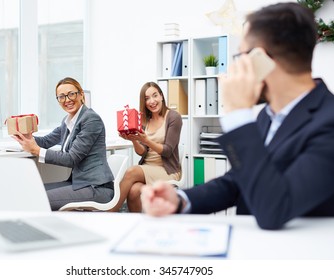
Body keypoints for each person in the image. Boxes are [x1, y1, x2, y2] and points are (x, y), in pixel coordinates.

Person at [141, 2, 334, 230]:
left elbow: (275, 208)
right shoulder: (267, 115)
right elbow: (236, 181)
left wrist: (238, 114)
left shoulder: (328, 121)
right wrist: (180, 199)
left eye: (240, 56)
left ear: (259, 58)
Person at [13, 77, 114, 211]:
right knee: (32, 192)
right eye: (61, 97)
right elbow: (46, 141)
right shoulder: (68, 121)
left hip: (96, 187)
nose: (67, 100)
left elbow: (72, 158)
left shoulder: (90, 119)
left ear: (81, 94)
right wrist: (25, 137)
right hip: (79, 183)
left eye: (71, 94)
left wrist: (36, 150)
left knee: (36, 198)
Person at [111, 81, 183, 212]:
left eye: (155, 95)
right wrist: (134, 140)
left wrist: (147, 140)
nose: (152, 101)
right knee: (133, 191)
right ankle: (137, 226)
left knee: (131, 171)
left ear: (161, 96)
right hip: (148, 168)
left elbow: (167, 151)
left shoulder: (174, 117)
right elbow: (143, 152)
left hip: (167, 170)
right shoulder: (144, 120)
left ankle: (111, 212)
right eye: (147, 98)